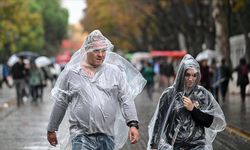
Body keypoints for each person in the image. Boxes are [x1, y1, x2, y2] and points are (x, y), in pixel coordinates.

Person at [47, 29, 146, 150]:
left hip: (107, 136)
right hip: (81, 136)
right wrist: (52, 128)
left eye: (103, 51)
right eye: (96, 51)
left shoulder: (115, 72)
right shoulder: (71, 74)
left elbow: (126, 99)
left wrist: (133, 124)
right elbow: (60, 103)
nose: (101, 55)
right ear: (86, 50)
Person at [148, 54, 226, 150]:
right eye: (187, 75)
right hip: (175, 146)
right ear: (181, 74)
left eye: (194, 75)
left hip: (198, 146)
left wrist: (193, 109)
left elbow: (209, 121)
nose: (191, 79)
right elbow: (159, 122)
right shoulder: (169, 95)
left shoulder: (202, 94)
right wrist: (154, 145)